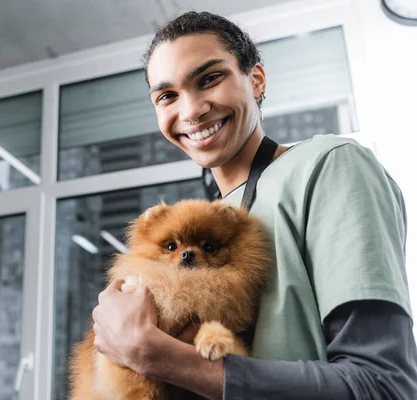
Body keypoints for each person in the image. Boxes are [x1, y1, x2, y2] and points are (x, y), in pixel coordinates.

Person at [91, 11, 417, 399]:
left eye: (209, 79)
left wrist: (152, 353)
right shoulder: (206, 218)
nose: (191, 110)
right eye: (167, 96)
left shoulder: (327, 165)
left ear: (256, 80)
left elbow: (381, 385)